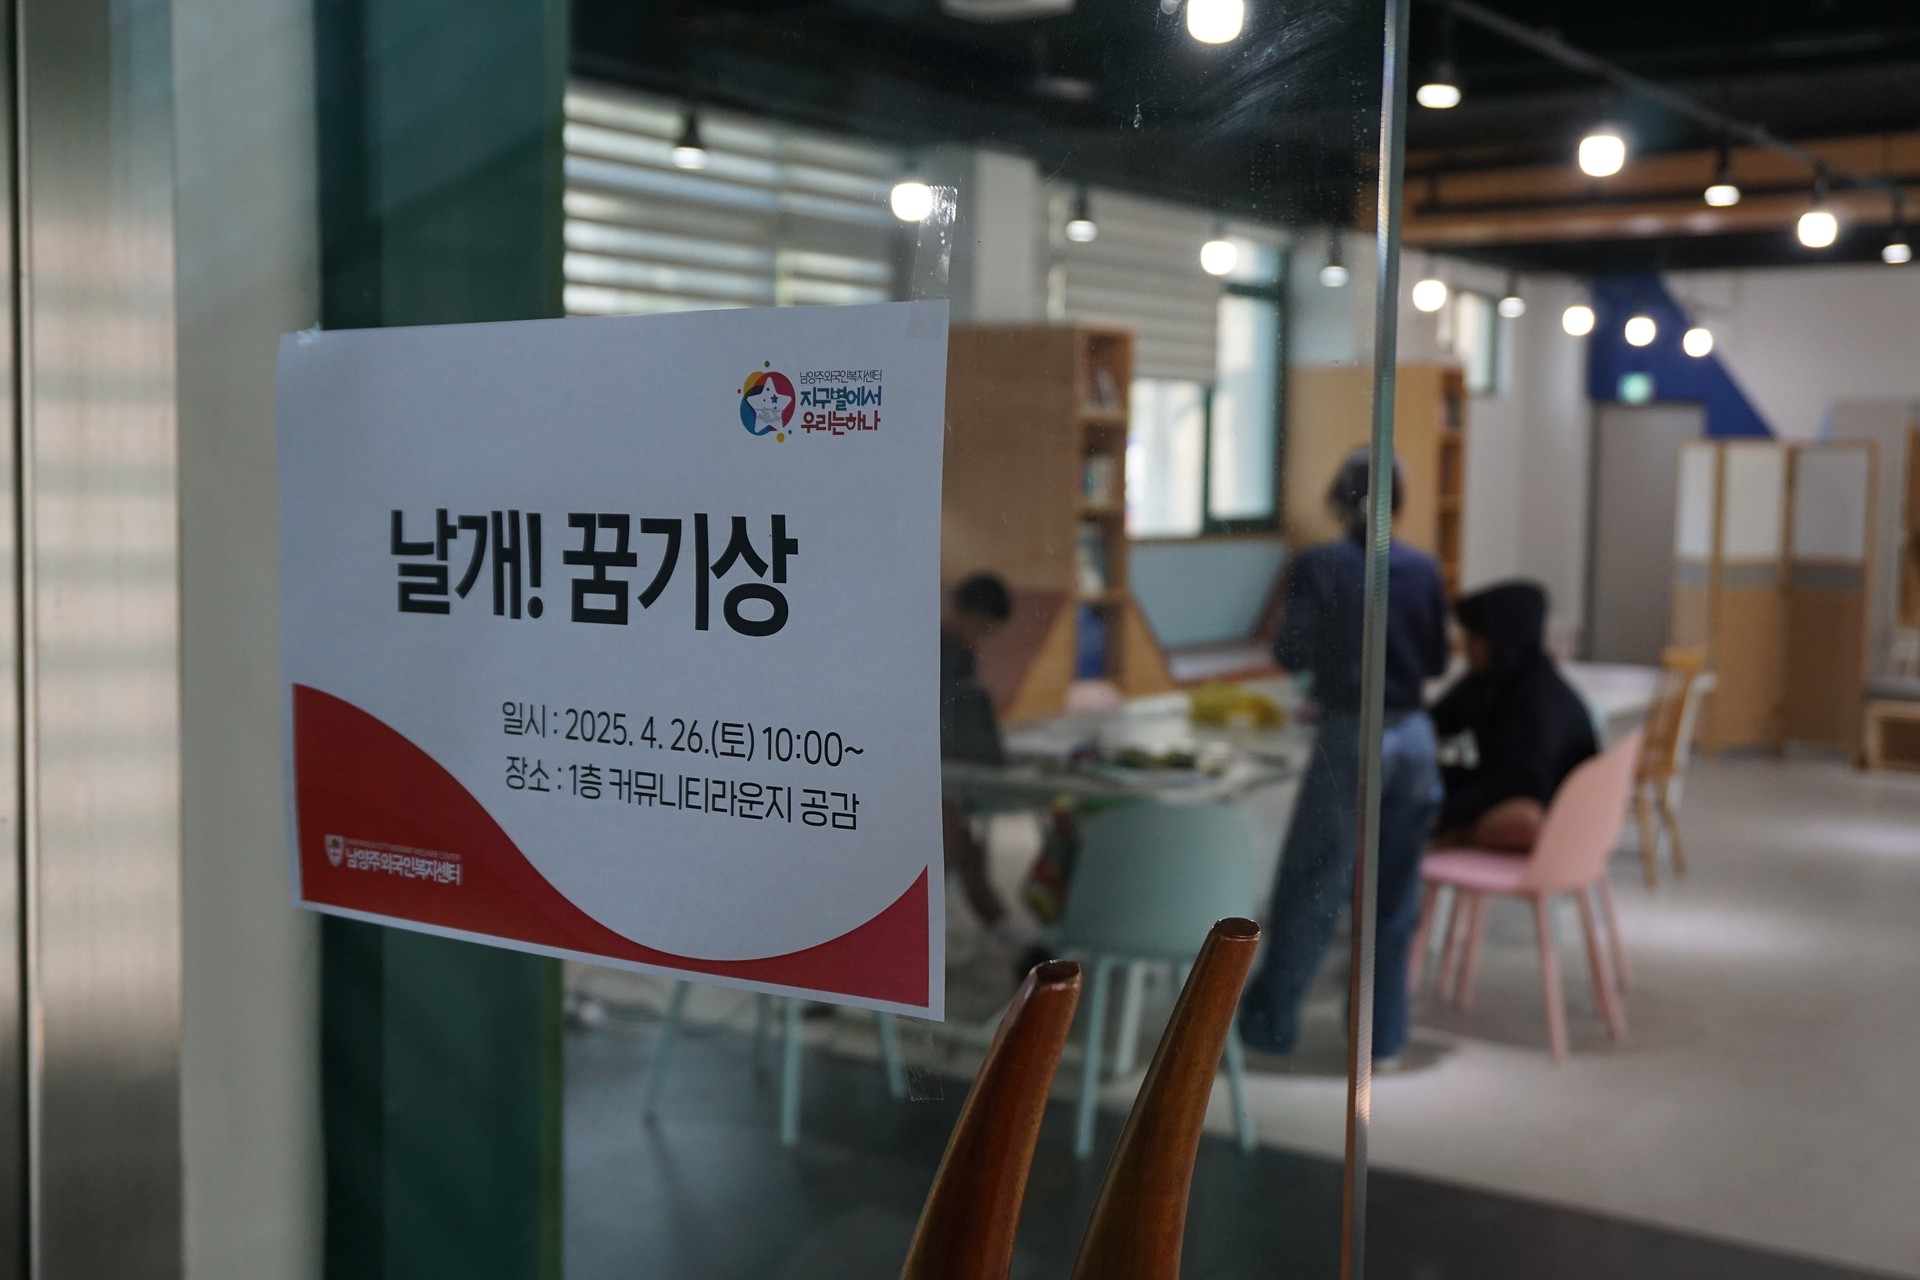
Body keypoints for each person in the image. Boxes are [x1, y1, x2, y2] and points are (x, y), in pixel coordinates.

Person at [1239, 450, 1448, 1063]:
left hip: (1349, 732)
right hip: (1413, 736)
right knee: (1394, 891)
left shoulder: (1320, 565)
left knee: (1314, 881)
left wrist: (1332, 672)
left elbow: (1291, 651)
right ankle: (1382, 1036)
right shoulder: (1423, 569)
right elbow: (1435, 660)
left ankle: (1271, 1026)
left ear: (1337, 498)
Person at [1431, 580, 1596, 851]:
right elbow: (1438, 722)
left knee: (1521, 819)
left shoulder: (1537, 698)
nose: (1466, 647)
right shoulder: (1489, 679)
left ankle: (1458, 837)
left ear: (1503, 640)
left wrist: (1448, 811)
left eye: (1476, 638)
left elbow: (1521, 780)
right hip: (1498, 784)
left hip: (1549, 816)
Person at [939, 573, 1018, 940]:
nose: (981, 636)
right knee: (958, 844)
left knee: (971, 854)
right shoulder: (938, 652)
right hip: (931, 778)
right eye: (980, 626)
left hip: (952, 771)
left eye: (989, 630)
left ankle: (1010, 938)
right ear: (958, 609)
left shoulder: (960, 653)